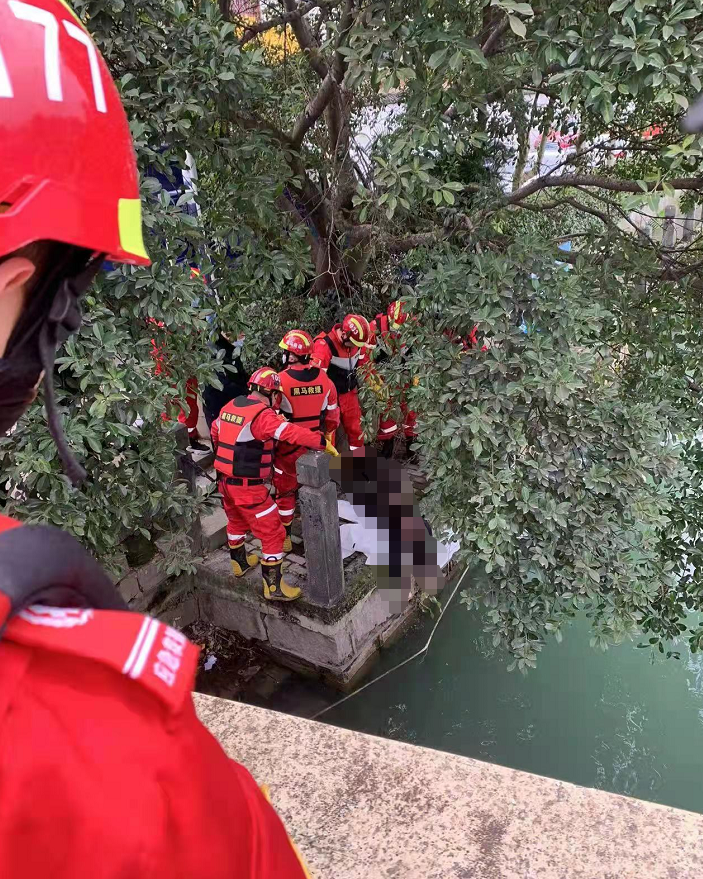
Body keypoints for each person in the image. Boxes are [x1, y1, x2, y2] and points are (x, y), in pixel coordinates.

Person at [0, 2, 310, 875]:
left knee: (261, 537)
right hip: (263, 499)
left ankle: (265, 563)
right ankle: (269, 569)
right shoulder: (97, 759)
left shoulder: (245, 406)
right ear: (22, 280)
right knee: (266, 539)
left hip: (254, 495)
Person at [211, 366, 338, 601]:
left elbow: (215, 431)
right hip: (248, 487)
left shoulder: (231, 406)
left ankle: (239, 563)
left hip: (225, 483)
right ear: (272, 393)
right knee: (274, 533)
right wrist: (321, 441)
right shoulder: (263, 416)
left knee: (236, 522)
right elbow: (290, 433)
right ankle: (274, 587)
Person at [274, 330, 340, 550]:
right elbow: (332, 416)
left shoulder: (280, 382)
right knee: (316, 486)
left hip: (287, 448)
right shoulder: (325, 380)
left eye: (285, 352)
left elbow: (269, 416)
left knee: (285, 492)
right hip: (315, 445)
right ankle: (319, 531)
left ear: (291, 356)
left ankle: (285, 536)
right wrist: (327, 436)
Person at [311, 313, 373, 451]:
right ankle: (330, 465)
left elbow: (364, 364)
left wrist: (374, 384)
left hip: (350, 393)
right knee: (330, 432)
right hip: (331, 398)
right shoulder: (324, 346)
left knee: (356, 430)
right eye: (354, 344)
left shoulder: (356, 341)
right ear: (344, 335)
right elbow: (317, 380)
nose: (355, 347)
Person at [368, 301, 418, 458]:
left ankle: (411, 446)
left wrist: (417, 375)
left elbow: (419, 353)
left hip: (407, 373)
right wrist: (374, 380)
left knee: (410, 409)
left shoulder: (415, 327)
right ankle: (387, 446)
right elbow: (367, 358)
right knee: (387, 409)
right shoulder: (374, 328)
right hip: (384, 375)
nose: (397, 334)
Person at [202, 330, 248, 431]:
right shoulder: (213, 351)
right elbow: (224, 384)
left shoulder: (236, 348)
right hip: (218, 403)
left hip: (234, 404)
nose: (242, 336)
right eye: (239, 333)